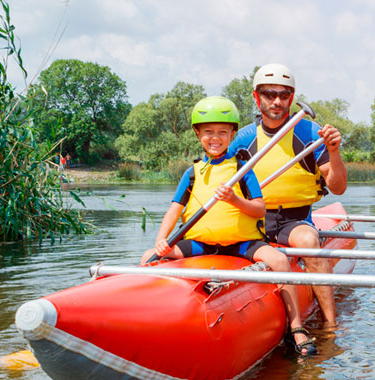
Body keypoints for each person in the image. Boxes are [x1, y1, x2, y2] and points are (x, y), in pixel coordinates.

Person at [140, 96, 316, 357]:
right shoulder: (191, 173)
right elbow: (174, 210)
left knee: (278, 260)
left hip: (241, 243)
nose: (215, 138)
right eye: (208, 132)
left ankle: (296, 327)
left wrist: (234, 199)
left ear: (233, 134)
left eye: (223, 132)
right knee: (148, 258)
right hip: (201, 244)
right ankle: (148, 321)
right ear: (198, 134)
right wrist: (161, 239)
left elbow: (259, 208)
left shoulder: (243, 170)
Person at [227, 63, 346, 329]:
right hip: (253, 219)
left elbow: (337, 188)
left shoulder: (310, 134)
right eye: (269, 94)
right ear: (257, 98)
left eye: (283, 95)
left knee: (307, 241)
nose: (277, 101)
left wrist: (334, 152)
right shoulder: (243, 139)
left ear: (292, 98)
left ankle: (330, 326)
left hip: (294, 221)